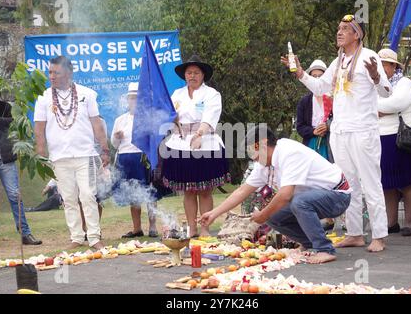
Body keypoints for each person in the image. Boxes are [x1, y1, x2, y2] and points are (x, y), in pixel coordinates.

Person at [281, 14, 392, 252]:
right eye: (338, 28)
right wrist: (301, 73)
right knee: (348, 184)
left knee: (371, 182)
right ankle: (355, 233)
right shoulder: (338, 61)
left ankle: (380, 235)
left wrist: (375, 76)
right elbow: (322, 88)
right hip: (340, 132)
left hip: (363, 131)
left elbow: (386, 92)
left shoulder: (369, 56)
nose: (339, 32)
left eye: (345, 29)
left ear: (357, 34)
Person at [201, 126, 351, 264]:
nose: (253, 157)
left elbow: (285, 195)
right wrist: (214, 213)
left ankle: (325, 249)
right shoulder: (263, 164)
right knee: (274, 216)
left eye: (254, 151)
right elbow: (242, 191)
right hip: (312, 198)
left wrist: (263, 214)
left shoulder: (289, 152)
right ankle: (309, 243)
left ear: (264, 144)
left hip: (338, 195)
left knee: (297, 203)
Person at [34, 56, 109, 250]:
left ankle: (94, 237)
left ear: (68, 73)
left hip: (85, 154)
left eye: (55, 72)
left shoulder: (87, 94)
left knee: (88, 195)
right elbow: (39, 130)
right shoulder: (43, 98)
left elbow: (97, 124)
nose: (51, 76)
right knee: (68, 199)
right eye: (49, 72)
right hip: (59, 157)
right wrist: (41, 156)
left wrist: (105, 150)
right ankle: (76, 237)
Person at [162, 55, 230, 238]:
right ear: (185, 75)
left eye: (196, 73)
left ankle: (205, 228)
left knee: (205, 191)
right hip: (181, 143)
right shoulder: (177, 94)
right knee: (189, 190)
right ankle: (192, 228)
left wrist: (200, 134)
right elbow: (170, 115)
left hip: (206, 142)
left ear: (203, 75)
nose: (192, 76)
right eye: (189, 72)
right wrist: (171, 118)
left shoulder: (212, 94)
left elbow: (210, 115)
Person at [377, 48, 411, 236]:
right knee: (387, 183)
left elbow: (397, 103)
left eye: (384, 64)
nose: (381, 68)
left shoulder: (404, 82)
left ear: (394, 66)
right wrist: (379, 108)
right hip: (382, 138)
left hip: (404, 138)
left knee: (407, 181)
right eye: (379, 64)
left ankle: (409, 222)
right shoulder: (374, 85)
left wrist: (376, 107)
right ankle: (391, 222)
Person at [0, 93, 42, 246]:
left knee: (15, 195)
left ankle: (25, 234)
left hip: (4, 158)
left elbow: (12, 122)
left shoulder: (2, 105)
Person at [111, 82, 158, 238]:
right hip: (125, 159)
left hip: (143, 158)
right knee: (133, 195)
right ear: (127, 100)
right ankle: (137, 228)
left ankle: (153, 226)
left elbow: (155, 140)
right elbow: (114, 144)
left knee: (149, 192)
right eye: (131, 98)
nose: (134, 101)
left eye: (137, 98)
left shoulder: (148, 118)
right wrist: (116, 137)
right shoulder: (120, 120)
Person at [296, 60, 333, 162]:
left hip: (331, 143)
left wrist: (328, 126)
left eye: (320, 76)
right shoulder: (304, 102)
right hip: (311, 143)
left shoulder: (333, 99)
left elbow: (341, 119)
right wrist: (313, 131)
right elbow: (300, 126)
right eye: (314, 76)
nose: (317, 79)